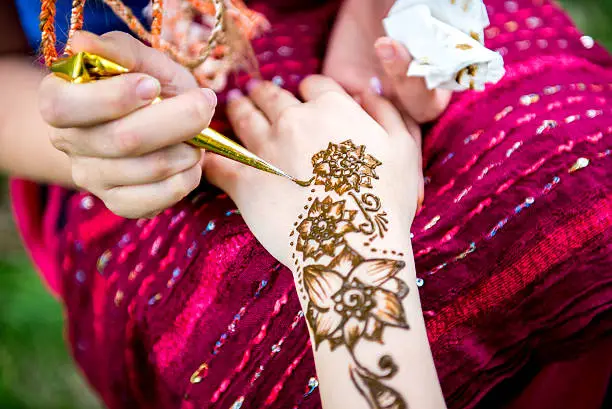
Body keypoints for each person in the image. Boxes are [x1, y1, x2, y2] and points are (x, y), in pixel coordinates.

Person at [1, 0, 611, 408]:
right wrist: (100, 142)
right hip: (138, 138)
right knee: (259, 350)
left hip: (366, 38)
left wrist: (342, 221)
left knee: (579, 187)